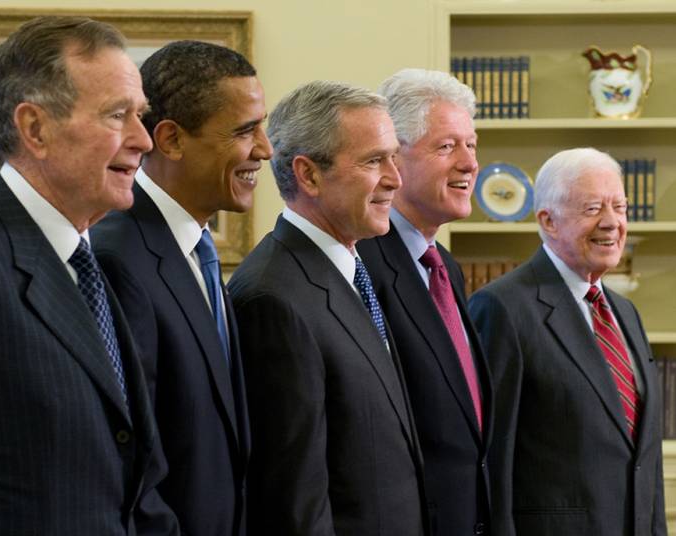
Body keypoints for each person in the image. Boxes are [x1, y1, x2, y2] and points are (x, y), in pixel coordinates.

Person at [0, 16, 178, 535]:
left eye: (140, 116)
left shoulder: (90, 262)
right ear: (35, 129)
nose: (143, 140)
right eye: (117, 115)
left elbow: (132, 482)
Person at [228, 80, 427, 536]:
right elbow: (294, 501)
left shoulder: (351, 269)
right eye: (374, 161)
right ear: (309, 175)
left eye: (393, 158)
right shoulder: (273, 299)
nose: (395, 179)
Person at [91, 40, 272, 536]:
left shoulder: (197, 251)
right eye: (245, 131)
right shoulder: (117, 257)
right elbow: (127, 458)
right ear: (170, 139)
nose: (265, 149)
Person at [468, 147, 666, 536]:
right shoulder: (501, 308)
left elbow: (646, 459)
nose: (612, 222)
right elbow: (491, 460)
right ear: (549, 220)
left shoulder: (625, 312)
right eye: (593, 209)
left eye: (620, 207)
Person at [357, 68, 492, 536]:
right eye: (447, 146)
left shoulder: (444, 266)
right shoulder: (362, 264)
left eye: (471, 145)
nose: (469, 163)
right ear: (394, 158)